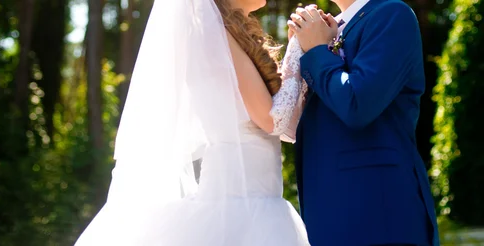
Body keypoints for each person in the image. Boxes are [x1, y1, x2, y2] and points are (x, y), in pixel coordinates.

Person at [73, 0, 312, 245]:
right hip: (237, 207)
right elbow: (271, 120)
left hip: (257, 200)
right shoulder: (212, 36)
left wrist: (303, 55)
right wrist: (297, 50)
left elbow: (285, 127)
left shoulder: (227, 35)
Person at [288, 1, 440, 245]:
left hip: (378, 210)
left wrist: (317, 50)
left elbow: (357, 104)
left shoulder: (391, 14)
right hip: (329, 207)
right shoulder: (332, 27)